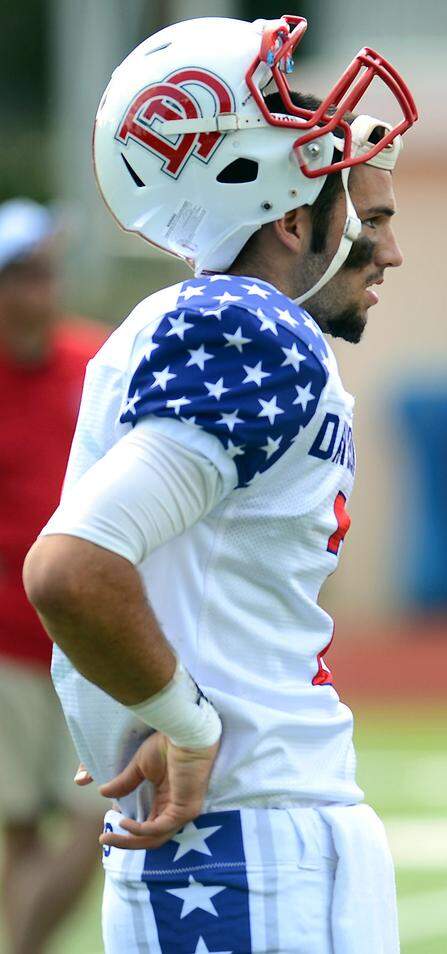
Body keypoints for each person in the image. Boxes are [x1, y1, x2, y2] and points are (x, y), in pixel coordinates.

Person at [22, 15, 417, 953]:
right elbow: (73, 568)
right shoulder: (248, 322)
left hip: (251, 831)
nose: (389, 251)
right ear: (288, 213)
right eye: (373, 218)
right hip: (244, 835)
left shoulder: (202, 322)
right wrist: (182, 721)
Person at [0, 198, 106, 953]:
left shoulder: (92, 364)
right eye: (24, 274)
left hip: (87, 634)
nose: (41, 289)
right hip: (4, 639)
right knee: (20, 825)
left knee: (103, 815)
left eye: (46, 270)